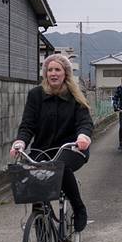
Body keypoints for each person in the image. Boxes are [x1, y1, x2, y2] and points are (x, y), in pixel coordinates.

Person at [10, 54, 93, 232]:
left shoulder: (75, 96)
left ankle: (79, 208)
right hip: (43, 149)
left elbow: (84, 122)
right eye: (49, 70)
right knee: (36, 190)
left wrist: (83, 137)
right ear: (45, 73)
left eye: (57, 69)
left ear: (65, 73)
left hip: (71, 148)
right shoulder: (35, 95)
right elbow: (27, 125)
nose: (53, 73)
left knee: (60, 166)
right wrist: (20, 142)